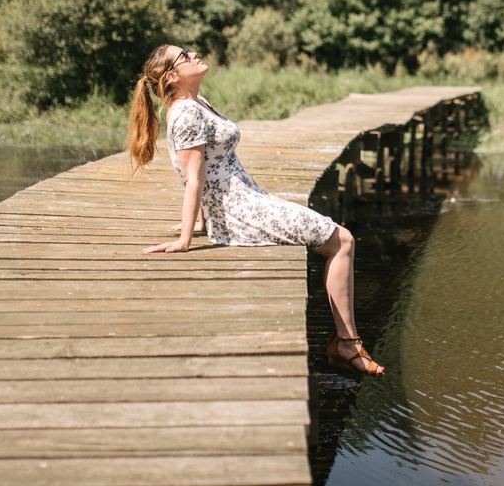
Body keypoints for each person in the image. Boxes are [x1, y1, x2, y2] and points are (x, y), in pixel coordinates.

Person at [126, 43, 384, 377]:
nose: (194, 55)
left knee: (339, 238)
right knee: (343, 240)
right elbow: (192, 177)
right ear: (173, 76)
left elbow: (205, 167)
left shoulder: (195, 102)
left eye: (190, 51)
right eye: (185, 56)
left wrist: (204, 220)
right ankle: (347, 344)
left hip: (248, 202)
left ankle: (345, 343)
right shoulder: (187, 112)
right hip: (240, 212)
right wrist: (186, 238)